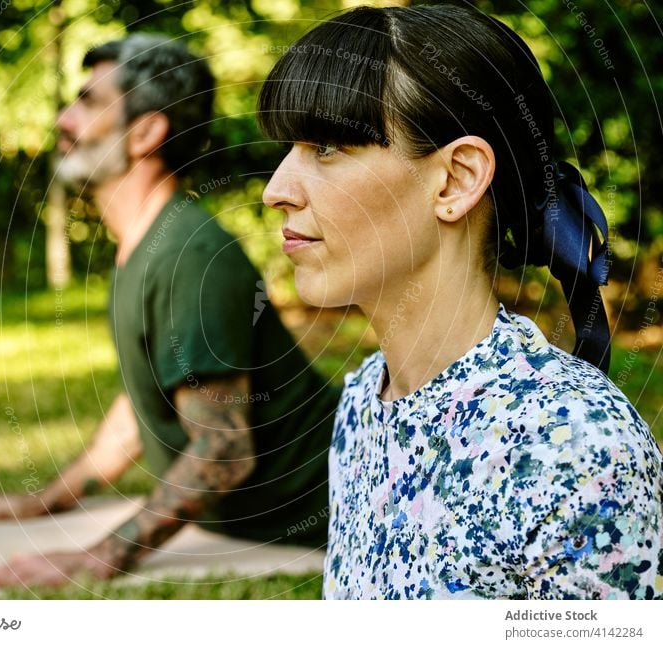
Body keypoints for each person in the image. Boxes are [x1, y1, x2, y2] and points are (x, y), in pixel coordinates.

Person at [258, 4, 663, 599]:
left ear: (455, 180)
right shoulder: (366, 401)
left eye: (326, 146)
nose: (276, 190)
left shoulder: (574, 444)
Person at [0, 33, 339, 587]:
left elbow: (223, 450)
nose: (64, 119)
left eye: (88, 103)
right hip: (246, 526)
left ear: (147, 130)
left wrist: (99, 557)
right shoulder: (148, 244)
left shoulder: (189, 257)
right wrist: (47, 500)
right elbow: (143, 406)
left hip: (323, 522)